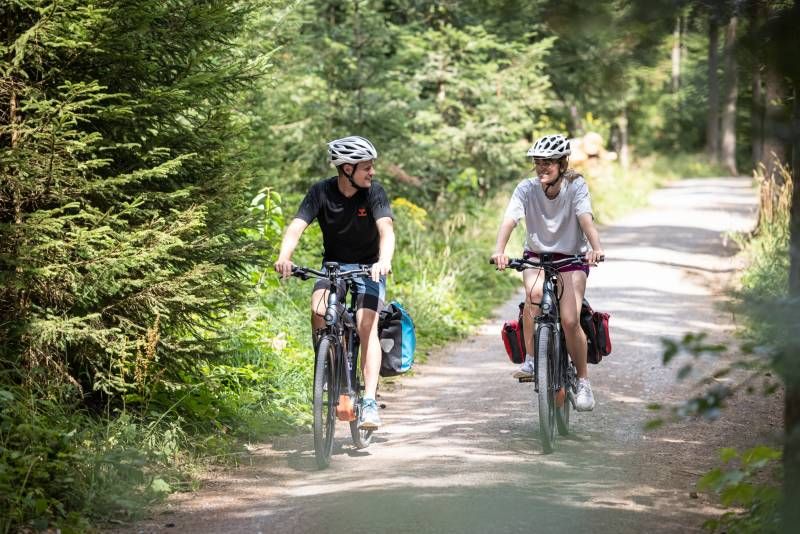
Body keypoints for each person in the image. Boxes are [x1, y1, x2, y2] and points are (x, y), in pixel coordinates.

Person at [274, 135, 395, 429]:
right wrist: (284, 256)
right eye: (366, 167)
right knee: (318, 311)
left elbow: (386, 230)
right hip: (333, 267)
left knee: (367, 324)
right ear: (347, 169)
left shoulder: (374, 193)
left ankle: (369, 402)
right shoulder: (321, 192)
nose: (372, 172)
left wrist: (383, 261)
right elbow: (296, 227)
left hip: (369, 268)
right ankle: (329, 366)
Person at [491, 134, 604, 411]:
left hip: (571, 258)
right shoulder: (526, 188)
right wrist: (499, 250)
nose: (542, 167)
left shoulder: (576, 186)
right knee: (534, 297)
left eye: (549, 162)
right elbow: (510, 219)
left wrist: (596, 248)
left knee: (569, 319)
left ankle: (583, 381)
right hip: (536, 257)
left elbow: (585, 218)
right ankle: (532, 360)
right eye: (538, 162)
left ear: (562, 164)